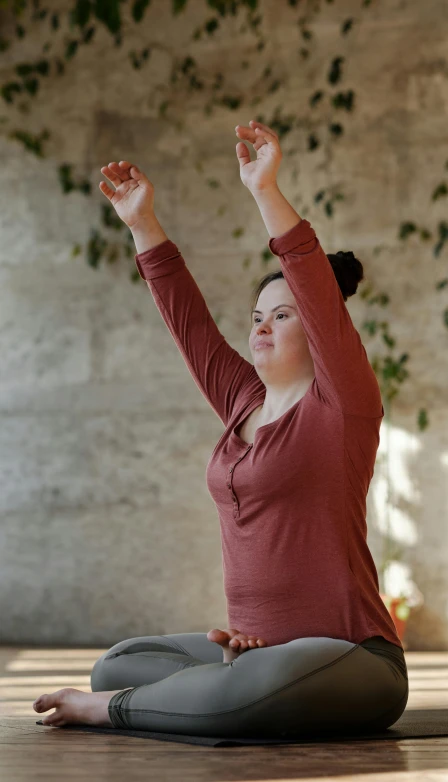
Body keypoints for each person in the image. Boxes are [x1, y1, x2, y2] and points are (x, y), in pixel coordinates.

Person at [33, 120, 408, 738]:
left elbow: (312, 281)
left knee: (233, 691)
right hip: (252, 651)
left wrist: (264, 190)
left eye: (283, 315)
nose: (261, 327)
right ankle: (202, 686)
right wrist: (142, 224)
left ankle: (114, 711)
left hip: (354, 658)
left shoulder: (342, 405)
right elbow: (192, 326)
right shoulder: (242, 400)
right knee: (118, 664)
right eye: (257, 315)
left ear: (317, 328)